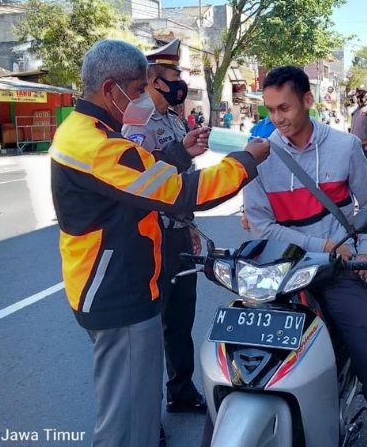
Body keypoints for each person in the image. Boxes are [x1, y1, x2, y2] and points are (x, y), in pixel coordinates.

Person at [50, 39, 269, 447]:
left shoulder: (80, 130)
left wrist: (178, 153)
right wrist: (246, 161)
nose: (140, 101)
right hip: (119, 294)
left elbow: (136, 185)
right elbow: (183, 194)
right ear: (110, 88)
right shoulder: (101, 146)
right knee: (128, 426)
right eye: (136, 91)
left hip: (98, 284)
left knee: (133, 412)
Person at [243, 66, 367, 447]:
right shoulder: (258, 157)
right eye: (270, 111)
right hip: (277, 274)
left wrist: (365, 251)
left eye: (284, 108)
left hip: (337, 272)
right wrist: (321, 245)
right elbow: (259, 226)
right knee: (241, 366)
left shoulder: (345, 146)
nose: (277, 119)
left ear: (308, 100)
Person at [121, 39, 208, 418]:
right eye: (175, 76)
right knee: (150, 330)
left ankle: (181, 390)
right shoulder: (136, 120)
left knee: (180, 319)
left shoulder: (173, 118)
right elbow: (140, 181)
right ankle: (146, 418)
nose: (180, 83)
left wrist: (189, 226)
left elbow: (180, 183)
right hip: (151, 237)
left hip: (176, 232)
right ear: (154, 79)